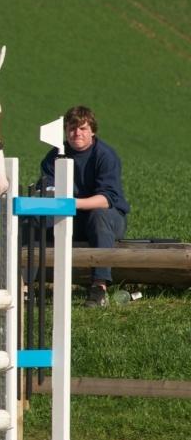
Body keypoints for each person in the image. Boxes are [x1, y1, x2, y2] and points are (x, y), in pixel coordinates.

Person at [40, 105, 129, 307]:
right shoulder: (54, 156)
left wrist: (72, 203)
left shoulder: (105, 155)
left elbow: (106, 199)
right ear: (65, 131)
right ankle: (25, 283)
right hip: (69, 216)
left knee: (98, 214)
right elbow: (47, 189)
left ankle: (99, 287)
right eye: (72, 128)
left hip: (107, 219)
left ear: (92, 131)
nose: (77, 133)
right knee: (35, 218)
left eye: (83, 128)